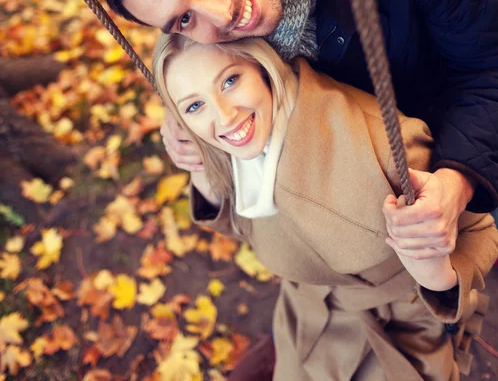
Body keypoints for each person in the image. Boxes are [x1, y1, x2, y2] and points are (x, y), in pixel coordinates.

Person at [93, 0, 498, 261]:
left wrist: (458, 181)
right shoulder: (206, 44)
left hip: (470, 137)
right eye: (183, 19)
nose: (221, 15)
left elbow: (489, 65)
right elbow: (190, 76)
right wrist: (183, 119)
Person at [151, 33, 498, 380]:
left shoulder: (379, 145)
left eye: (230, 80)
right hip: (303, 315)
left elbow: (479, 230)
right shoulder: (238, 150)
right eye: (194, 106)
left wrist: (435, 274)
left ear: (260, 65)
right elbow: (248, 229)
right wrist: (201, 168)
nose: (224, 116)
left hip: (402, 328)